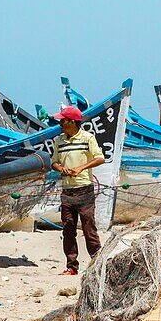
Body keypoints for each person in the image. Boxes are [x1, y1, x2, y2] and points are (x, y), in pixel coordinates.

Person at [50, 106, 105, 275]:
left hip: (84, 190)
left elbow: (100, 158)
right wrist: (62, 169)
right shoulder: (59, 140)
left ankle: (97, 263)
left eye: (62, 120)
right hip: (67, 191)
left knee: (89, 228)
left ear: (71, 122)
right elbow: (54, 162)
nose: (60, 123)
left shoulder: (88, 138)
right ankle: (71, 266)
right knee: (68, 229)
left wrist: (81, 167)